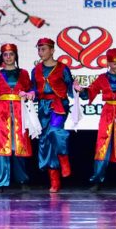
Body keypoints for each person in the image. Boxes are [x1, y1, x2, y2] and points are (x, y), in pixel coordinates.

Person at [75, 47, 116, 192]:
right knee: (102, 146)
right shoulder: (102, 78)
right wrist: (81, 90)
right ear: (108, 63)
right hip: (107, 112)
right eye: (115, 64)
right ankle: (97, 180)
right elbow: (90, 91)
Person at [0, 43, 33, 191]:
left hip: (19, 112)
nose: (8, 57)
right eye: (5, 55)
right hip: (2, 113)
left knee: (19, 146)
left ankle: (22, 180)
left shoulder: (23, 73)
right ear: (2, 57)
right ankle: (0, 182)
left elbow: (30, 90)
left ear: (15, 56)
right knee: (1, 146)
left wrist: (29, 94)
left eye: (11, 54)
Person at [29, 37, 75, 193]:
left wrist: (78, 89)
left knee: (55, 131)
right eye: (39, 49)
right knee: (46, 142)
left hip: (58, 105)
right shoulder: (36, 70)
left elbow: (70, 88)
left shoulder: (62, 68)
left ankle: (64, 159)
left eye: (43, 49)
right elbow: (34, 89)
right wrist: (31, 93)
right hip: (43, 107)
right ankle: (54, 181)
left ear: (52, 50)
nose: (40, 52)